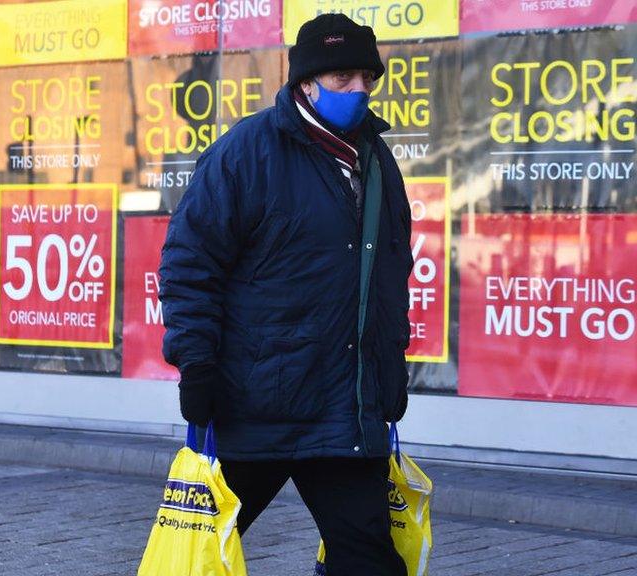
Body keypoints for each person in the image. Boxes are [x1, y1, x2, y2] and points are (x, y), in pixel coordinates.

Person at [158, 13, 413, 576]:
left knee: (369, 563)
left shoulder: (375, 159)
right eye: (343, 79)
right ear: (305, 84)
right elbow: (189, 264)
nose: (359, 91)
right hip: (255, 405)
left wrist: (388, 374)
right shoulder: (247, 152)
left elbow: (390, 277)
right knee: (196, 560)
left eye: (367, 79)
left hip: (341, 415)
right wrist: (196, 365)